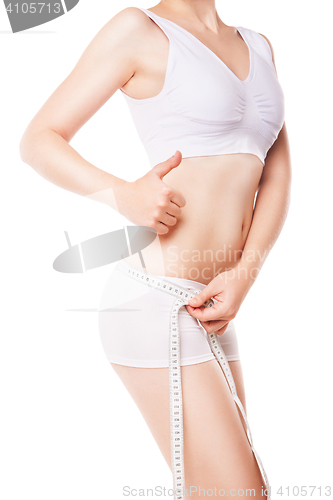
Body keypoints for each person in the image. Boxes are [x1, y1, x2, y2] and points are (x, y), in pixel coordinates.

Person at [19, 1, 291, 499]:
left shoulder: (259, 45)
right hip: (155, 299)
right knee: (239, 493)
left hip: (213, 305)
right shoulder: (138, 29)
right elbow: (39, 139)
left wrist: (245, 275)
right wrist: (122, 193)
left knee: (225, 492)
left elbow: (277, 174)